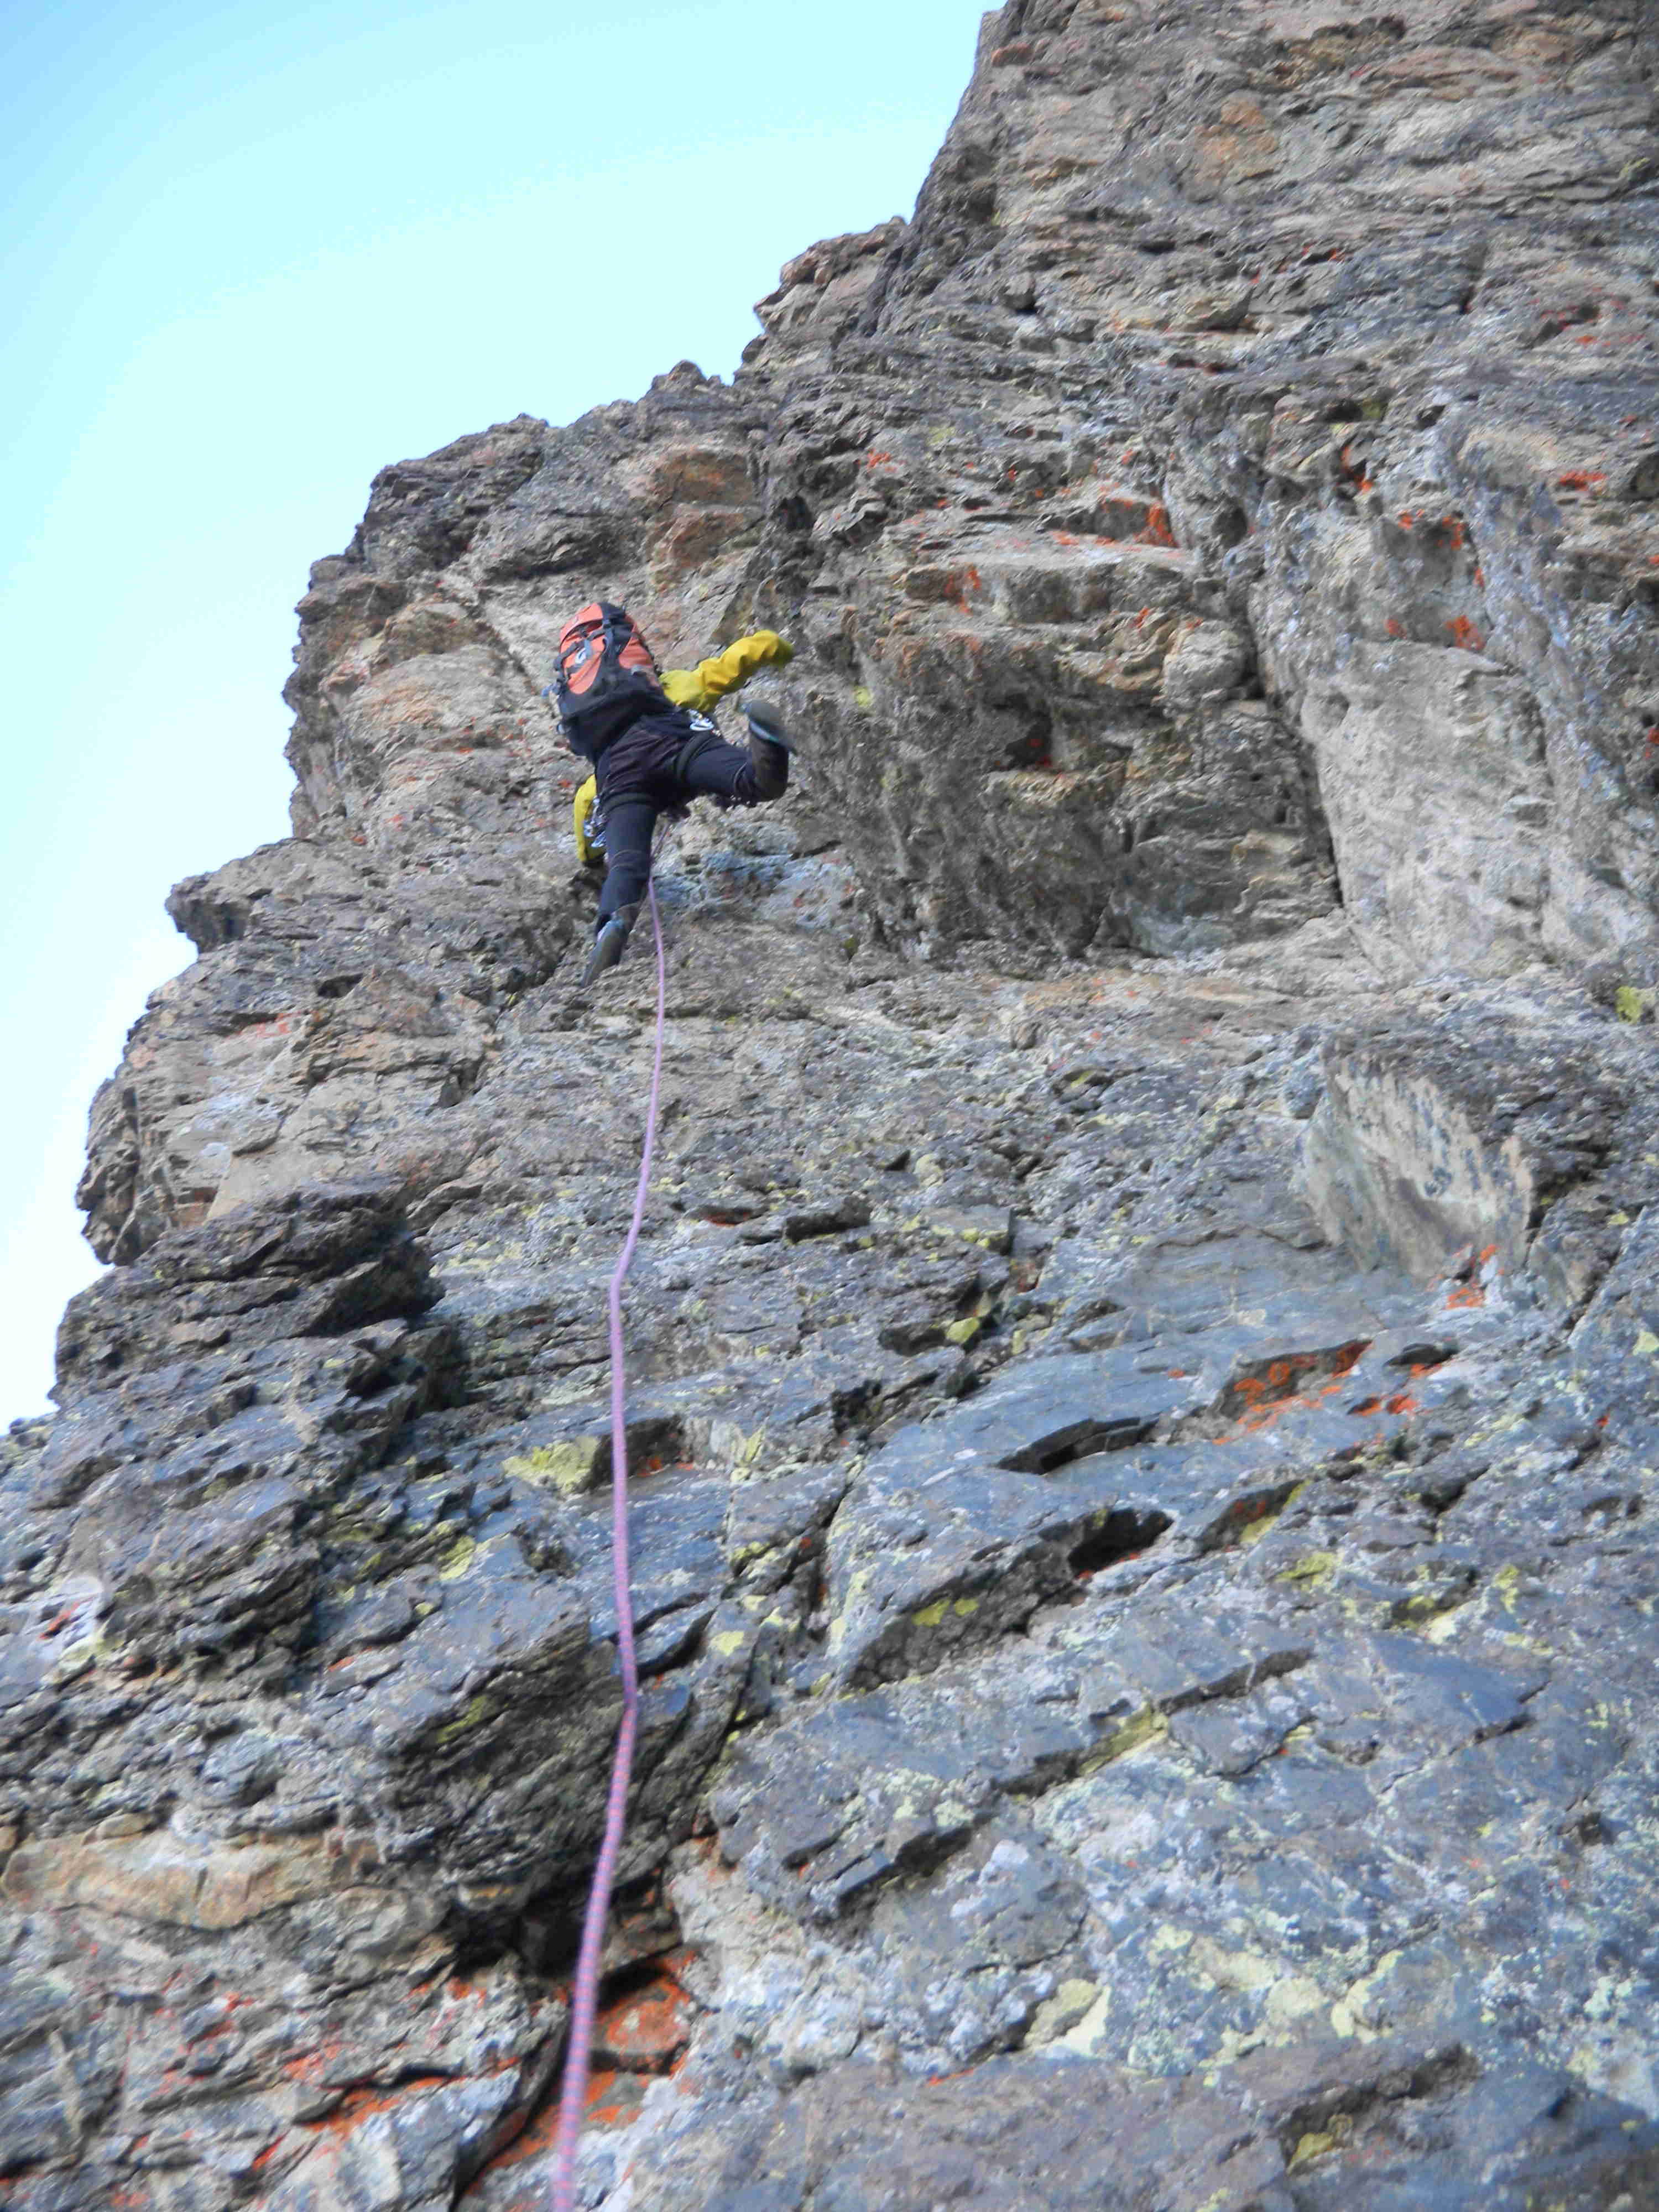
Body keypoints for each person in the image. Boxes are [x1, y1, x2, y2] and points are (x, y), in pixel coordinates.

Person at [547, 604, 796, 985]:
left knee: (627, 865)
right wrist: (779, 648)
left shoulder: (600, 744)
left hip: (619, 774)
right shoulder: (676, 685)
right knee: (754, 781)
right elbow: (733, 663)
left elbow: (585, 803)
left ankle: (612, 926)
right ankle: (766, 740)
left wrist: (591, 857)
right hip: (678, 744)